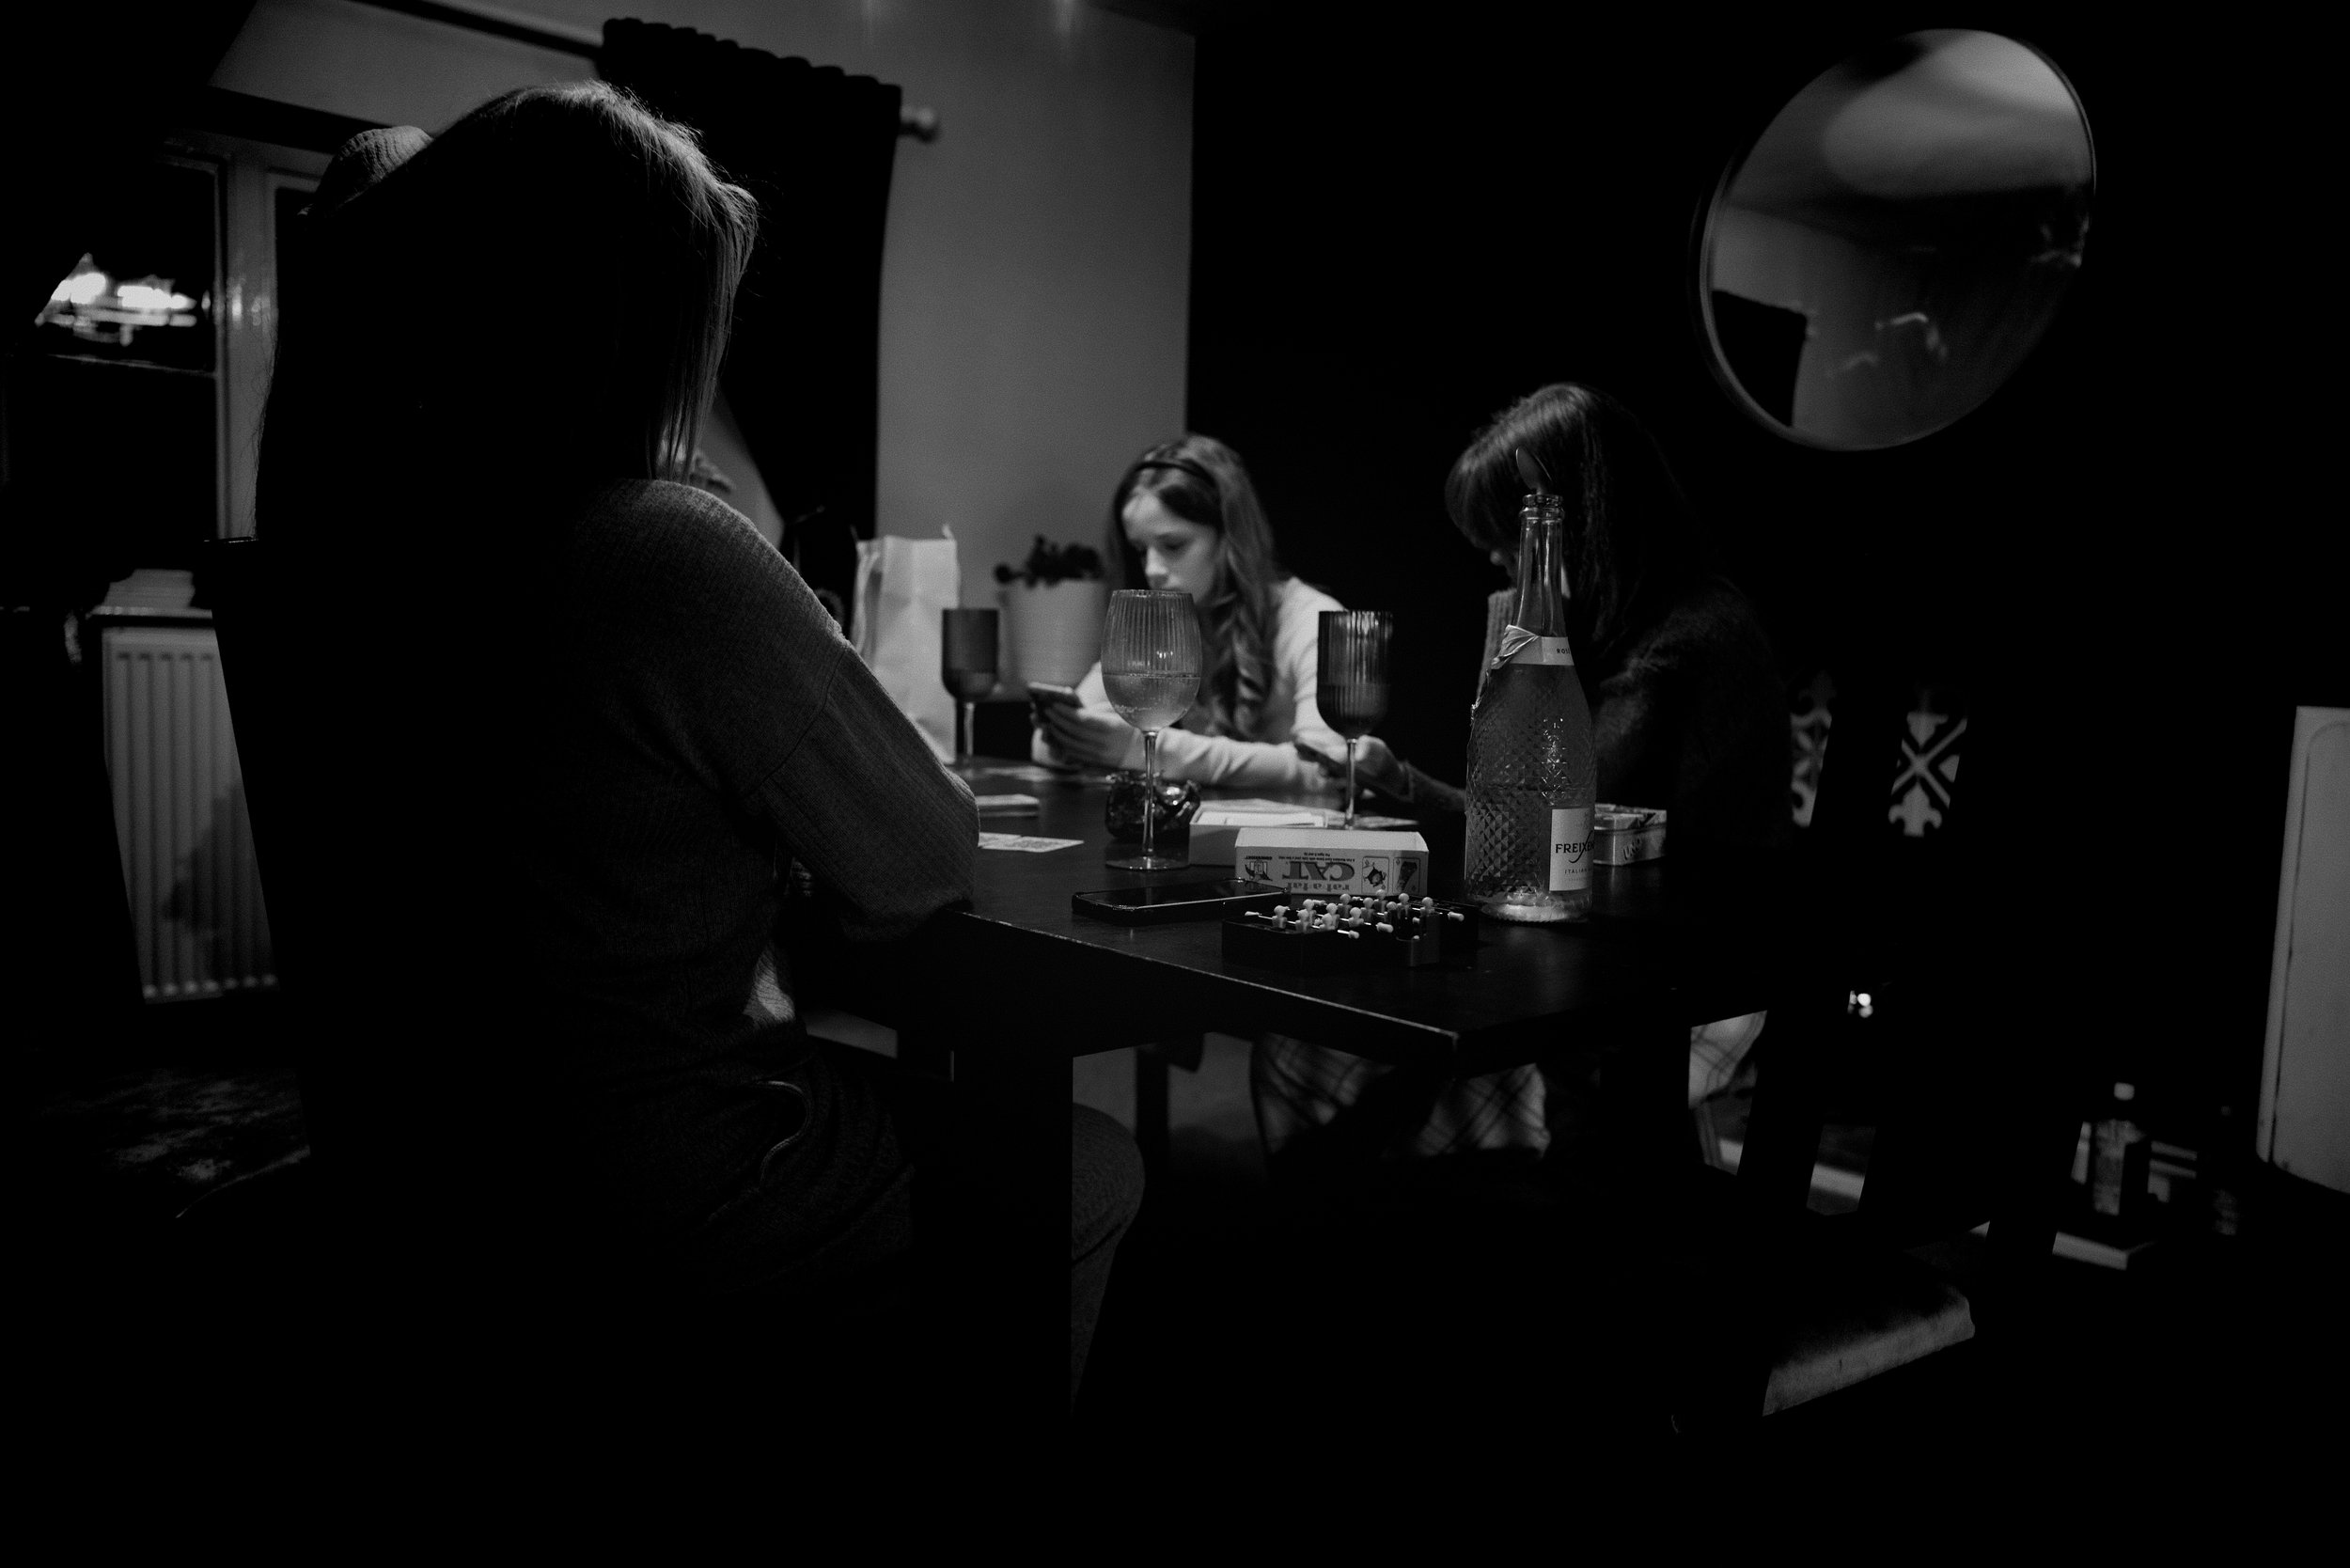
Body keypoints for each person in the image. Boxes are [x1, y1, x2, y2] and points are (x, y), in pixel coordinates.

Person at [256, 85, 1140, 1411]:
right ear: (637, 324)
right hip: (644, 1179)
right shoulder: (663, 547)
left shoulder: (371, 557)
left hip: (433, 1155)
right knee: (1091, 1164)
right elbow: (922, 856)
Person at [1257, 384, 1793, 1168]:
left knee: (1359, 1067)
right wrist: (1403, 782)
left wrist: (1511, 612)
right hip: (1590, 946)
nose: (1505, 568)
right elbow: (1512, 825)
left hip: (1692, 979)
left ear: (1575, 519)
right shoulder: (1615, 626)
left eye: (1511, 549)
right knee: (1305, 1039)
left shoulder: (1691, 638)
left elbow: (1548, 830)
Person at [1035, 435, 1346, 790]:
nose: (1152, 569)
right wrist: (1070, 736)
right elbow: (1043, 748)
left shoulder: (1312, 620)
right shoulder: (1165, 620)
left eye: (1173, 545)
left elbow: (1327, 769)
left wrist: (1147, 750)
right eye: (1140, 550)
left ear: (1229, 538)